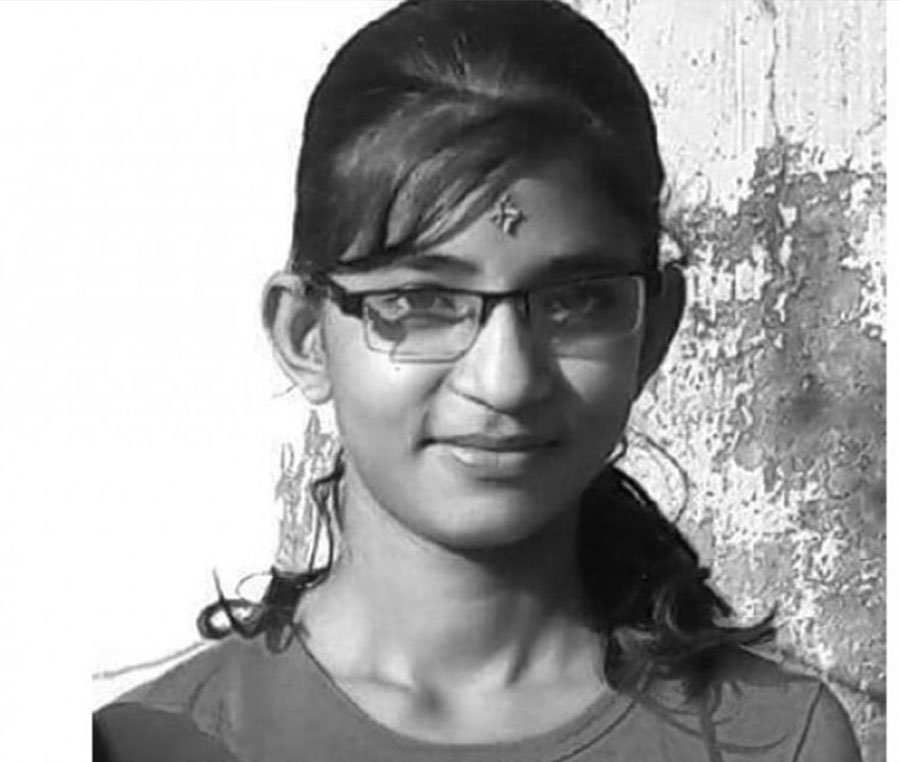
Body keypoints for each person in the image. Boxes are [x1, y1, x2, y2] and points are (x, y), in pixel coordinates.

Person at [93, 1, 862, 760]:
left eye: (575, 301)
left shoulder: (773, 742)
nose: (505, 381)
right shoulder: (148, 746)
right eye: (419, 301)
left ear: (653, 330)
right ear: (304, 336)